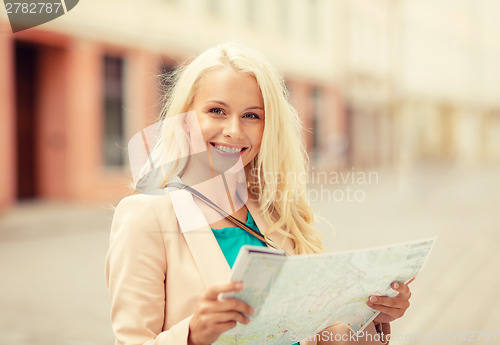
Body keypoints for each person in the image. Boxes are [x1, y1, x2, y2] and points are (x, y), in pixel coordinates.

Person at [105, 42, 411, 345]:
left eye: (252, 115)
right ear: (185, 120)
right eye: (216, 111)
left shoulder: (276, 213)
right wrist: (193, 335)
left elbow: (316, 334)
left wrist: (369, 316)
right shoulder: (145, 216)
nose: (234, 130)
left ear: (268, 127)